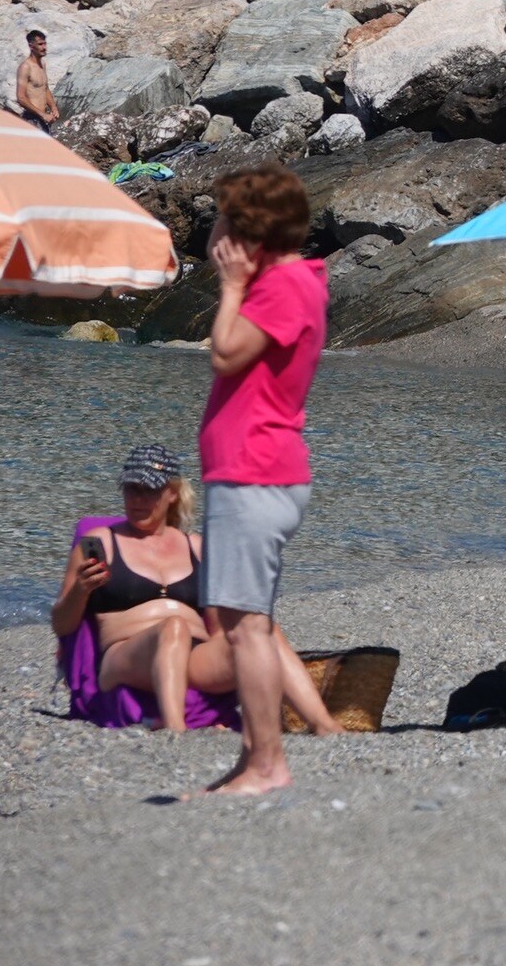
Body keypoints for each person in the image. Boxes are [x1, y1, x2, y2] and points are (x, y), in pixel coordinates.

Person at [194, 162, 330, 796]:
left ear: (247, 231)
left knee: (247, 626)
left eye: (223, 217)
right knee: (243, 619)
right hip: (250, 471)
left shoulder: (282, 285)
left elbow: (225, 352)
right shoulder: (287, 282)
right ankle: (255, 755)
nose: (213, 227)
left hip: (255, 473)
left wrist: (230, 287)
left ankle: (267, 764)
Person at [49, 445, 340, 736]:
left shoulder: (198, 548)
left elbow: (217, 625)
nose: (138, 499)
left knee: (264, 630)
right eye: (131, 489)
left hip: (193, 656)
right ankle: (176, 729)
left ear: (172, 493)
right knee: (173, 628)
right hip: (125, 657)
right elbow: (62, 624)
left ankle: (323, 724)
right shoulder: (101, 542)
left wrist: (236, 647)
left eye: (149, 491)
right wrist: (80, 591)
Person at [14, 29, 59, 132]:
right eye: (40, 44)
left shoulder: (42, 64)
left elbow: (45, 88)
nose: (44, 48)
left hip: (43, 118)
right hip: (31, 119)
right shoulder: (25, 67)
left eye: (45, 44)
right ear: (31, 46)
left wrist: (53, 107)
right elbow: (20, 97)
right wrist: (42, 114)